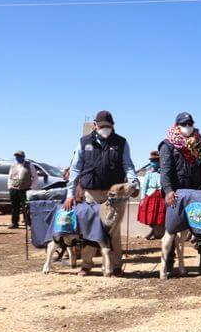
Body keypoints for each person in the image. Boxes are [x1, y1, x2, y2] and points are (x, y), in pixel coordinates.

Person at [66, 110, 139, 276]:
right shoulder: (84, 142)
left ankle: (116, 266)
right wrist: (70, 194)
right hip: (91, 193)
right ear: (95, 125)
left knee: (113, 230)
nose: (105, 128)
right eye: (102, 126)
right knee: (90, 228)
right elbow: (76, 168)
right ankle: (86, 264)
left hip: (115, 194)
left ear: (113, 126)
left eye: (108, 126)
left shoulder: (121, 142)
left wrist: (134, 183)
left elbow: (128, 165)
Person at [159, 112, 201, 272]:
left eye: (190, 124)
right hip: (177, 195)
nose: (187, 127)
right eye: (184, 124)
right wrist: (168, 191)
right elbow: (166, 171)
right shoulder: (167, 145)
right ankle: (169, 263)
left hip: (197, 192)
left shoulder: (200, 144)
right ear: (177, 126)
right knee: (172, 229)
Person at [7, 150, 39, 229]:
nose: (18, 158)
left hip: (25, 189)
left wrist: (31, 188)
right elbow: (10, 177)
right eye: (16, 156)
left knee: (26, 206)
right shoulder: (13, 166)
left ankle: (27, 222)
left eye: (19, 156)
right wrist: (10, 186)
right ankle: (14, 223)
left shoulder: (29, 165)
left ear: (23, 157)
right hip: (14, 188)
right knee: (15, 206)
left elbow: (35, 177)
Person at [138, 151, 165, 240]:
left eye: (155, 160)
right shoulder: (149, 172)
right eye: (152, 160)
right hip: (150, 195)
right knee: (149, 215)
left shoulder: (163, 172)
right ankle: (152, 231)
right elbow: (145, 186)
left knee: (159, 215)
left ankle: (154, 232)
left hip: (161, 195)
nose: (153, 162)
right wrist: (142, 198)